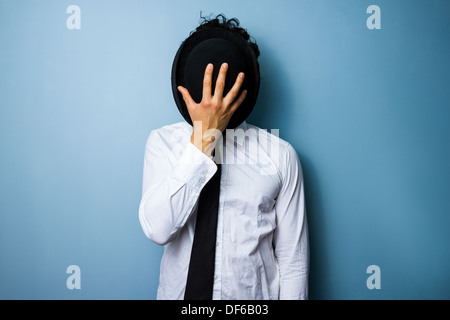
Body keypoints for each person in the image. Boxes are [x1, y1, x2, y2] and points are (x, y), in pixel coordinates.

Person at [139, 14, 309, 300]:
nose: (215, 93)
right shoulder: (163, 143)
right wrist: (205, 136)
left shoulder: (281, 156)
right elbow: (158, 229)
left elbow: (294, 265)